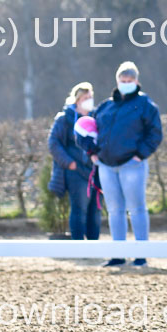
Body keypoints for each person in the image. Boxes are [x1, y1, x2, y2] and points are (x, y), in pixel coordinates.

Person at [88, 61, 163, 267]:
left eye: (130, 80)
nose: (126, 83)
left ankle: (141, 254)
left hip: (132, 164)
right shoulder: (105, 106)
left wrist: (140, 154)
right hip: (106, 165)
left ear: (137, 81)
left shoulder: (146, 105)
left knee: (137, 208)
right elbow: (92, 130)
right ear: (117, 81)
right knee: (114, 210)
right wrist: (92, 153)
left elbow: (155, 134)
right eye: (123, 80)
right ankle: (118, 254)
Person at [47, 82, 101, 240]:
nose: (89, 100)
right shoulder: (64, 119)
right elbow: (53, 143)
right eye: (86, 97)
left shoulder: (96, 118)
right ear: (77, 100)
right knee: (80, 209)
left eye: (91, 97)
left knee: (95, 210)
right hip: (75, 171)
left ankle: (93, 245)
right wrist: (69, 163)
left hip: (94, 170)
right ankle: (78, 246)